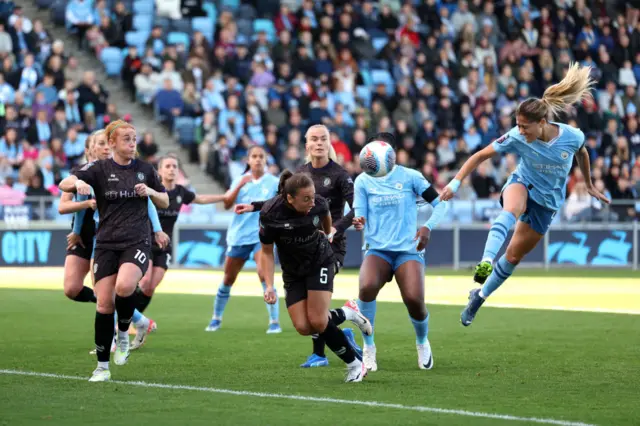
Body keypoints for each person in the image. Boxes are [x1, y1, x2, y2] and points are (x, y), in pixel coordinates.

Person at [439, 63, 610, 326]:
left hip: (547, 203)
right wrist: (455, 182)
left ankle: (479, 297)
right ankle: (485, 260)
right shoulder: (516, 137)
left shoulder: (572, 136)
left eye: (524, 127)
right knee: (511, 210)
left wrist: (587, 184)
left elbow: (583, 153)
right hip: (522, 182)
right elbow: (480, 155)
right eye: (517, 125)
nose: (520, 131)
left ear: (542, 123)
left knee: (513, 257)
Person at [236, 124, 365, 368]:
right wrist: (253, 206)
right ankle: (338, 326)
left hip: (331, 244)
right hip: (302, 247)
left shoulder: (340, 174)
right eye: (313, 139)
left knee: (316, 308)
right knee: (309, 317)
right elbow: (284, 201)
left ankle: (322, 353)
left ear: (329, 143)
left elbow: (357, 206)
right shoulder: (301, 171)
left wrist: (337, 228)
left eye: (323, 139)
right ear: (306, 145)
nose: (318, 143)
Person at [58, 119, 170, 382]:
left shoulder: (145, 169)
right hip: (106, 242)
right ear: (112, 142)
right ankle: (102, 368)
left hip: (136, 241)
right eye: (127, 139)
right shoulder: (97, 168)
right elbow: (65, 184)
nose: (133, 144)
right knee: (104, 303)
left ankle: (122, 336)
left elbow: (163, 200)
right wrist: (78, 184)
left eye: (134, 139)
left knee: (124, 286)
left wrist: (152, 191)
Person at [259, 170, 371, 382]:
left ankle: (355, 365)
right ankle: (347, 313)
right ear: (290, 198)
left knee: (319, 322)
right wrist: (269, 286)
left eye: (313, 196)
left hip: (320, 261)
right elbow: (266, 252)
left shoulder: (318, 203)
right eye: (306, 199)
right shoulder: (270, 214)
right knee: (303, 327)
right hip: (292, 271)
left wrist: (328, 233)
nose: (312, 202)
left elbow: (326, 216)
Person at [353, 132, 449, 372]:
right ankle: (368, 347)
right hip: (378, 249)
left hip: (408, 249)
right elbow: (359, 214)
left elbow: (441, 203)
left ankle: (422, 341)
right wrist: (359, 221)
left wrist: (427, 226)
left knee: (415, 300)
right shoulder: (363, 181)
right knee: (365, 288)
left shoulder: (411, 177)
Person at [131, 155, 225, 350]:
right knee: (144, 280)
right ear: (160, 170)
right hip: (146, 242)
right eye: (168, 166)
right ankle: (126, 319)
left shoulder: (181, 192)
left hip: (164, 246)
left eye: (175, 166)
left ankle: (135, 319)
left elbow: (201, 198)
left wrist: (223, 197)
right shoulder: (152, 189)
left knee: (150, 287)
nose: (172, 169)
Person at [205, 146, 282, 334]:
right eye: (254, 156)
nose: (257, 160)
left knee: (264, 274)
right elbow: (226, 204)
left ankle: (274, 321)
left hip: (261, 236)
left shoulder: (274, 182)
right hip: (239, 236)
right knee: (228, 278)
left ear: (266, 159)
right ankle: (216, 318)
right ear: (248, 160)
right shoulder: (240, 180)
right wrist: (239, 185)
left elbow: (281, 205)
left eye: (261, 156)